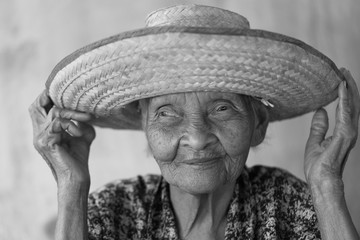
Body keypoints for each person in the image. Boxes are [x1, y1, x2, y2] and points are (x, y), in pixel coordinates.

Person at [29, 4, 360, 240]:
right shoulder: (116, 209)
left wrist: (327, 187)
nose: (197, 138)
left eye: (221, 109)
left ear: (258, 123)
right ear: (145, 126)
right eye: (167, 113)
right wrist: (71, 188)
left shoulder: (287, 204)